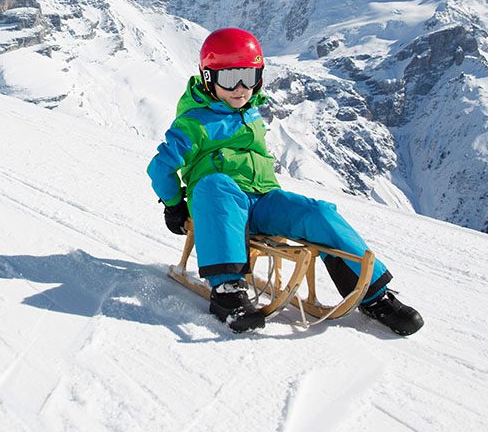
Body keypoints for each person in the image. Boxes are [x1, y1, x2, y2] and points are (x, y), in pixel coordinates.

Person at [147, 27, 423, 335]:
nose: (240, 89)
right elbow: (161, 168)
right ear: (209, 78)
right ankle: (227, 290)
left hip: (263, 201)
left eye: (249, 78)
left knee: (318, 213)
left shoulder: (250, 114)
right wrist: (174, 205)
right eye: (229, 79)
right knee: (216, 184)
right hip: (218, 204)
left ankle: (372, 294)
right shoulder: (194, 123)